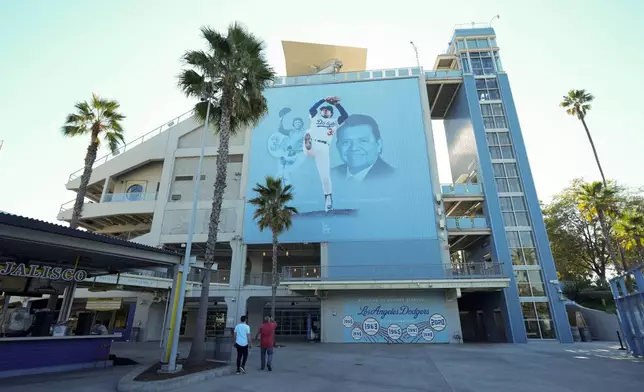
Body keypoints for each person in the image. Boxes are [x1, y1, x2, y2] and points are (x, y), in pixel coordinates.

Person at [303, 96, 349, 212]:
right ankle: (307, 145)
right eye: (322, 109)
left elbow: (345, 116)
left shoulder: (334, 122)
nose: (324, 111)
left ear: (331, 112)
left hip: (324, 147)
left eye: (326, 110)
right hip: (313, 144)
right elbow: (312, 109)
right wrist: (323, 100)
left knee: (325, 177)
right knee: (308, 132)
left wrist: (336, 104)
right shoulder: (315, 117)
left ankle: (328, 200)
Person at [332, 114, 395, 182]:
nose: (354, 148)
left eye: (363, 141)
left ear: (378, 145)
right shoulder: (331, 175)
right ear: (338, 147)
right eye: (346, 142)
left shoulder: (393, 177)